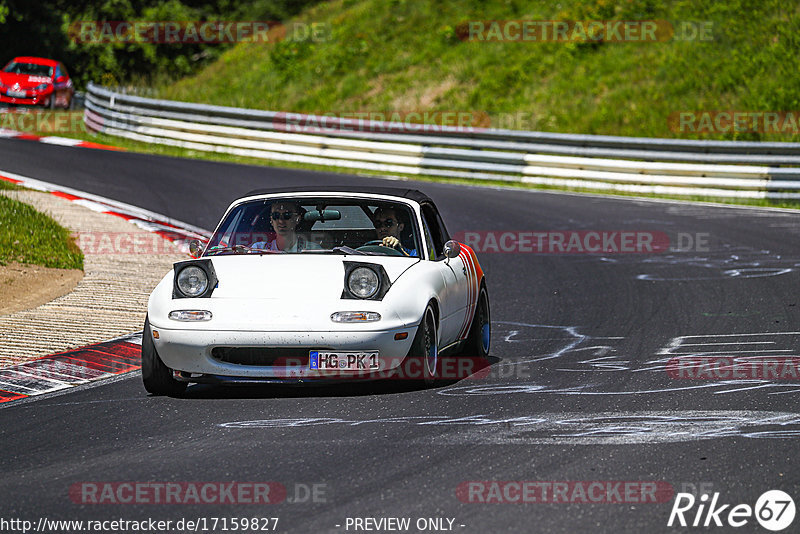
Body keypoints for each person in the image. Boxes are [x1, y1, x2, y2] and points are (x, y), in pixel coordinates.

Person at [251, 201, 321, 252]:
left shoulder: (313, 249)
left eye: (287, 215)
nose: (281, 221)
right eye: (276, 215)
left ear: (297, 219)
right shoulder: (258, 249)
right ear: (271, 220)